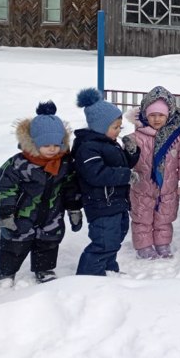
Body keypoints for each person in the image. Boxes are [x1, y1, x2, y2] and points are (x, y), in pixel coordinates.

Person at [0, 101, 82, 286]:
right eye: (46, 144)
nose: (52, 149)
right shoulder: (18, 165)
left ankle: (44, 269)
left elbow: (70, 186)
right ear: (34, 142)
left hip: (52, 213)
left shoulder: (64, 163)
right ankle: (6, 272)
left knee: (49, 241)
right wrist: (5, 214)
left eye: (56, 144)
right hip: (22, 215)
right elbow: (5, 189)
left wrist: (74, 208)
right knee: (14, 244)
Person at [74, 88, 140, 277]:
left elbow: (124, 164)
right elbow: (96, 174)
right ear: (100, 127)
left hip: (115, 202)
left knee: (116, 236)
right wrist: (125, 175)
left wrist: (131, 151)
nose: (119, 131)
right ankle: (89, 276)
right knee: (104, 242)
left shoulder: (109, 143)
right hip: (101, 204)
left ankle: (109, 269)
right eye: (115, 127)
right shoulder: (87, 147)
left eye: (120, 127)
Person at [125, 86, 180, 259]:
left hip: (167, 187)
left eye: (161, 115)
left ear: (168, 115)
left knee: (164, 218)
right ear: (145, 115)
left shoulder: (176, 137)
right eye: (152, 115)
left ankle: (162, 243)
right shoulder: (137, 137)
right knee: (142, 218)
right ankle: (144, 245)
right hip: (142, 186)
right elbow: (127, 159)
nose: (156, 119)